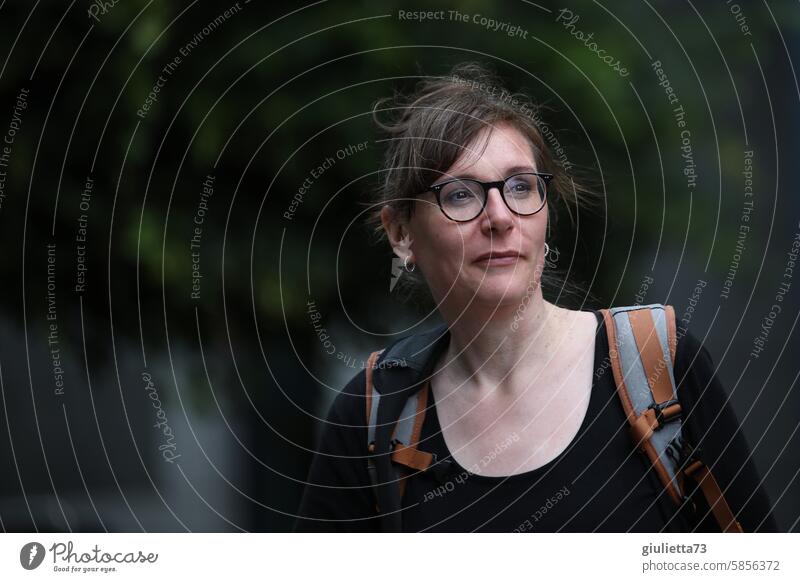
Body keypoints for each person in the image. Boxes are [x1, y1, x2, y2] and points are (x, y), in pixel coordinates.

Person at [293, 62, 778, 532]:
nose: (500, 217)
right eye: (461, 194)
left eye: (520, 186)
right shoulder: (372, 413)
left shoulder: (656, 364)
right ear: (401, 233)